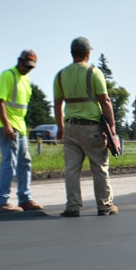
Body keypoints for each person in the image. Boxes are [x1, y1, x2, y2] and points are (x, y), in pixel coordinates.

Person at [53, 37, 118, 217]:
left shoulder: (60, 76)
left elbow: (57, 104)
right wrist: (111, 127)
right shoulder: (94, 73)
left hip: (71, 128)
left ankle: (73, 206)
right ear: (88, 53)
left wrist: (60, 127)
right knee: (100, 167)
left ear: (72, 53)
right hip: (92, 129)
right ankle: (104, 205)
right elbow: (105, 101)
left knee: (72, 170)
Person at [0, 49, 43, 214]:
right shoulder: (8, 76)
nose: (27, 69)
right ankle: (1, 202)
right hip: (8, 126)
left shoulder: (26, 80)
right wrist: (7, 125)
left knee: (25, 163)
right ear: (19, 61)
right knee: (9, 163)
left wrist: (23, 128)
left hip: (21, 127)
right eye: (25, 65)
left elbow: (22, 108)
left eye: (30, 67)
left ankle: (25, 199)